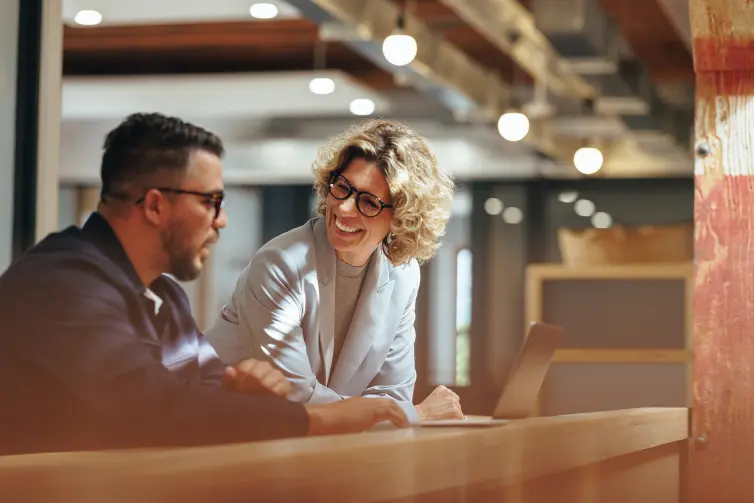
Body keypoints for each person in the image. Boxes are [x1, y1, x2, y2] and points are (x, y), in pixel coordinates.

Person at [0, 113, 408, 456]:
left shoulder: (165, 296)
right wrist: (320, 417)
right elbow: (155, 411)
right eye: (210, 201)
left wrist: (242, 391)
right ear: (157, 204)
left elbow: (203, 390)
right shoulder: (61, 285)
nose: (221, 220)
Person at [205, 119, 464, 422]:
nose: (343, 208)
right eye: (342, 187)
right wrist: (414, 414)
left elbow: (393, 392)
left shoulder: (403, 274)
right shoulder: (280, 263)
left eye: (368, 202)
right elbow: (296, 396)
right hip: (217, 432)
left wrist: (393, 412)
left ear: (402, 218)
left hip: (311, 441)